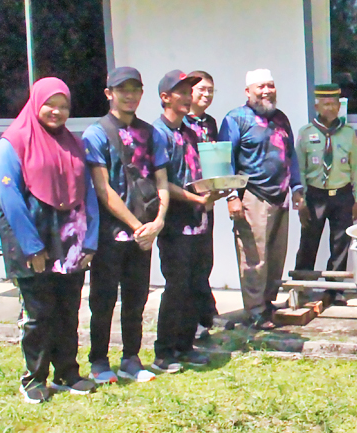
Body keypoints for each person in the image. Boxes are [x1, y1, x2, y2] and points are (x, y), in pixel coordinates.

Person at [0, 77, 100, 403]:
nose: (57, 111)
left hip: (70, 240)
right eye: (50, 104)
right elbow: (9, 199)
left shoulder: (72, 142)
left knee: (68, 309)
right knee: (39, 314)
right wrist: (32, 246)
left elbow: (88, 194)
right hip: (33, 239)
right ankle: (34, 379)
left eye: (64, 105)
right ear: (35, 102)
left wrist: (91, 241)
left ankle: (67, 372)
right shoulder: (12, 142)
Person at [83, 67, 170, 384]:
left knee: (136, 298)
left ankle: (131, 359)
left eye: (135, 89)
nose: (130, 95)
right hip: (111, 234)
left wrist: (158, 222)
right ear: (109, 93)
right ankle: (98, 361)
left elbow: (161, 179)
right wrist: (137, 225)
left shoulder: (152, 133)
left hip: (144, 234)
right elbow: (103, 190)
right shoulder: (96, 134)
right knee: (103, 300)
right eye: (122, 89)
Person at [219, 69, 304, 330]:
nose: (266, 91)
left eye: (270, 85)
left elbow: (291, 155)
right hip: (252, 196)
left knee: (277, 256)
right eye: (260, 87)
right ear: (248, 92)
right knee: (255, 258)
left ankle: (267, 304)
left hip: (281, 197)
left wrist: (297, 187)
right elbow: (225, 160)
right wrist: (231, 197)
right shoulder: (236, 119)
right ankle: (255, 310)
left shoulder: (281, 119)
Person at [151, 70, 221, 373]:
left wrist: (218, 189)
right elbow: (162, 182)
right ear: (165, 97)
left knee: (196, 283)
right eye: (181, 91)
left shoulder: (191, 132)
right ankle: (164, 352)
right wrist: (195, 199)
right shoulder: (158, 134)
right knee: (176, 286)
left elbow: (201, 175)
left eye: (189, 90)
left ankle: (186, 345)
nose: (188, 96)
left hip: (200, 219)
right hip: (176, 224)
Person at [294, 84, 357, 294]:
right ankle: (300, 288)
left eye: (334, 104)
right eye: (326, 104)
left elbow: (356, 168)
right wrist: (301, 200)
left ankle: (334, 291)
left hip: (342, 195)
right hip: (315, 196)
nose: (331, 108)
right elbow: (300, 169)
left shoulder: (347, 134)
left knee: (340, 245)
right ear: (317, 105)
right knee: (308, 243)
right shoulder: (306, 133)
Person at [183, 70, 218, 340]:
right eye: (201, 89)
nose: (206, 95)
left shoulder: (211, 123)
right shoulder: (180, 124)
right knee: (188, 260)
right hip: (185, 201)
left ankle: (205, 313)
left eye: (210, 91)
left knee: (205, 256)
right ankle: (190, 319)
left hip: (208, 199)